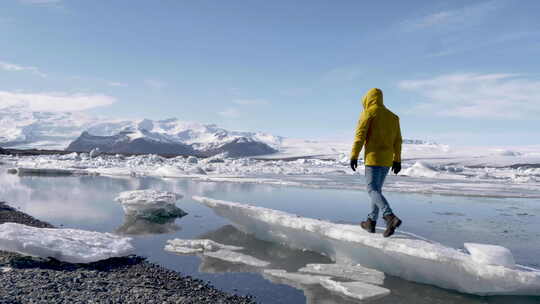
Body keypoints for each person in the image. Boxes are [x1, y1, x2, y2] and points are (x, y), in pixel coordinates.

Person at [349, 88, 402, 237]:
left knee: (372, 189)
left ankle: (389, 216)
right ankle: (371, 222)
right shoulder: (393, 117)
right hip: (387, 160)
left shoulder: (368, 113)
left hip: (373, 158)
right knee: (376, 190)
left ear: (368, 100)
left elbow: (360, 136)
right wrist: (397, 159)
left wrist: (354, 155)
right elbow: (398, 141)